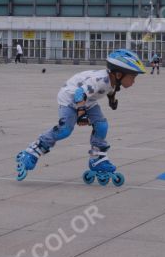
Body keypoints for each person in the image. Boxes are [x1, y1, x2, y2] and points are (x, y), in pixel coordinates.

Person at [15, 49, 146, 186]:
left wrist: (112, 100)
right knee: (65, 130)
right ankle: (33, 150)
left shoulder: (113, 81)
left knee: (102, 125)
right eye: (133, 77)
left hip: (87, 101)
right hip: (70, 98)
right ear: (119, 74)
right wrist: (81, 113)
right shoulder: (100, 80)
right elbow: (79, 93)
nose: (134, 81)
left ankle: (97, 159)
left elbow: (110, 91)